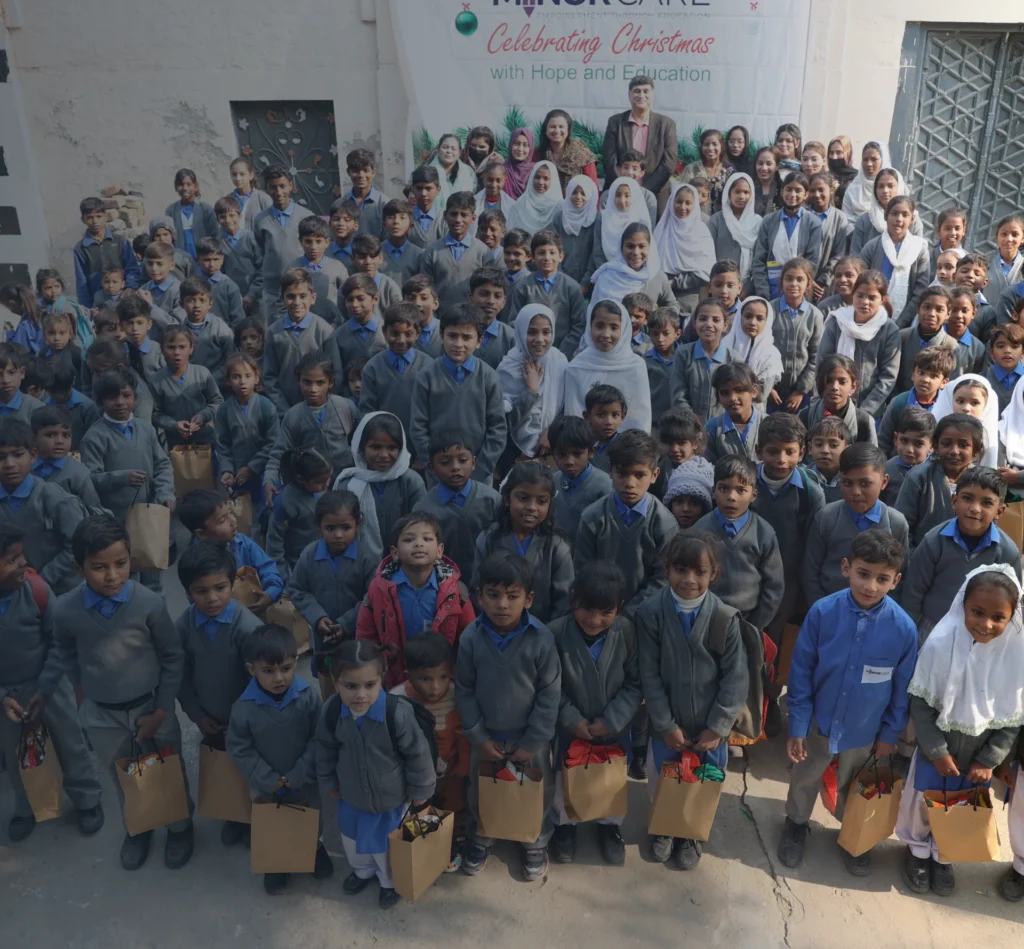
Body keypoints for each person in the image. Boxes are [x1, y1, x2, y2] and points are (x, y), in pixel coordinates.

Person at [55, 515, 194, 870]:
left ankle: (179, 828)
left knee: (168, 768)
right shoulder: (65, 610)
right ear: (78, 567)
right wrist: (83, 694)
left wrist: (162, 710)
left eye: (121, 563)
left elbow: (173, 657)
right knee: (125, 773)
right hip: (103, 714)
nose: (113, 575)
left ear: (132, 558)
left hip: (151, 707)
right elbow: (66, 651)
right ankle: (139, 828)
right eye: (99, 567)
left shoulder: (148, 604)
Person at [779, 529, 917, 874]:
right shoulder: (822, 613)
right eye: (863, 574)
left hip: (865, 728)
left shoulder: (903, 629)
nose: (870, 586)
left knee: (854, 783)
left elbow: (902, 689)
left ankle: (852, 831)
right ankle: (796, 823)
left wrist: (890, 734)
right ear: (846, 567)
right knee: (807, 773)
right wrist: (797, 723)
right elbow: (801, 672)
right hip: (819, 721)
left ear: (896, 580)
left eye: (882, 578)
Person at [896, 566, 1024, 898]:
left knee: (958, 807)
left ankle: (942, 855)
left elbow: (1012, 718)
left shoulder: (1014, 657)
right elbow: (921, 705)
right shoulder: (940, 645)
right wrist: (937, 751)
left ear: (1012, 617)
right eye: (977, 612)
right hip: (935, 752)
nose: (986, 624)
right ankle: (917, 853)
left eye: (999, 617)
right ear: (962, 606)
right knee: (923, 805)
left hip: (976, 763)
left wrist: (989, 759)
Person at [636, 530, 749, 869]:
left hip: (708, 726)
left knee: (705, 779)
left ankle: (691, 834)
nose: (688, 580)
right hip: (667, 723)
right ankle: (665, 829)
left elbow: (735, 677)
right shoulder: (651, 612)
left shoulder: (723, 618)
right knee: (662, 777)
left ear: (713, 574)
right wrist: (665, 723)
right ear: (667, 569)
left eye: (699, 572)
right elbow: (649, 674)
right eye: (680, 570)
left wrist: (718, 727)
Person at [455, 551, 561, 880]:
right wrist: (479, 737)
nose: (503, 604)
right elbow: (464, 689)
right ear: (479, 597)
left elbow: (550, 693)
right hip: (485, 736)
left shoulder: (541, 639)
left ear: (528, 599)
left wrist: (533, 740)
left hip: (530, 738)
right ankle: (481, 837)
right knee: (481, 788)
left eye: (512, 596)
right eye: (494, 595)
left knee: (535, 788)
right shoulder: (471, 638)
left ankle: (535, 840)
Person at [0, 523, 104, 842]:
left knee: (70, 740)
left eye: (21, 555)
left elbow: (58, 642)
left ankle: (87, 799)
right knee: (16, 752)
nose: (22, 564)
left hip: (50, 684)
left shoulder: (36, 590)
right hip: (8, 697)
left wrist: (45, 688)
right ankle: (26, 806)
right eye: (11, 559)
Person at [547, 561, 640, 865]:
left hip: (613, 729)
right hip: (569, 728)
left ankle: (608, 827)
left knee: (611, 779)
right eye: (587, 609)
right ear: (573, 599)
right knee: (565, 779)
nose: (595, 620)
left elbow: (635, 683)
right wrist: (572, 720)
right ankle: (565, 826)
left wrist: (611, 721)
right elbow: (549, 685)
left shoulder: (627, 634)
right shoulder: (556, 634)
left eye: (606, 612)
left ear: (619, 609)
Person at [228, 622, 331, 894]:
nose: (279, 678)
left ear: (296, 661)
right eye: (268, 671)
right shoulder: (244, 707)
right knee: (272, 822)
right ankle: (276, 865)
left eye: (286, 669)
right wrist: (267, 778)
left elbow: (318, 738)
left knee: (311, 817)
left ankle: (315, 849)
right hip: (266, 783)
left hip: (304, 778)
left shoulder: (308, 696)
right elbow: (240, 748)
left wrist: (299, 772)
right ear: (252, 670)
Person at [175, 542, 262, 846]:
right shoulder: (184, 626)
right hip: (211, 718)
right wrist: (196, 714)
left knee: (254, 768)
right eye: (200, 591)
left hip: (248, 718)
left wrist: (241, 717)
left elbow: (262, 679)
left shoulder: (246, 627)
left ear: (232, 583)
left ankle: (258, 820)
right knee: (225, 768)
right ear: (187, 592)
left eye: (220, 587)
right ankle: (235, 816)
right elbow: (179, 675)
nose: (212, 598)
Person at [356, 510, 474, 689]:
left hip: (440, 680)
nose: (418, 544)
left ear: (440, 550)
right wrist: (373, 670)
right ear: (395, 553)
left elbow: (468, 636)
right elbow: (366, 634)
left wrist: (457, 674)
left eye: (427, 539)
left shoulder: (455, 590)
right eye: (409, 540)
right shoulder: (379, 589)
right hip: (395, 677)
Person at [901, 467, 1019, 639]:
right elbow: (913, 592)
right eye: (967, 498)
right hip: (932, 628)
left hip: (981, 633)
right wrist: (909, 634)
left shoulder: (1007, 552)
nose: (975, 508)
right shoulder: (934, 541)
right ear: (954, 500)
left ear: (999, 511)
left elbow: (1013, 603)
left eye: (986, 503)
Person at [574, 430, 677, 610]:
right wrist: (606, 610)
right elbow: (583, 571)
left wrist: (630, 613)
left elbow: (662, 579)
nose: (630, 483)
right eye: (622, 473)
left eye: (639, 475)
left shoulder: (664, 524)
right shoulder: (592, 517)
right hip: (599, 611)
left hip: (647, 613)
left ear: (654, 475)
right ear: (610, 471)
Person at [409, 303, 506, 485]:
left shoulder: (488, 377)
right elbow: (418, 426)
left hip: (478, 475)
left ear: (479, 341)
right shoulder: (427, 376)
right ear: (442, 335)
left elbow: (497, 429)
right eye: (452, 336)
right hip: (439, 475)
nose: (458, 344)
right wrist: (436, 466)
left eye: (466, 337)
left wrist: (480, 469)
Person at [802, 443, 910, 604]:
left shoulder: (896, 523)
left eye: (865, 484)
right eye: (847, 483)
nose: (856, 492)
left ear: (884, 482)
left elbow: (901, 576)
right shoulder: (826, 518)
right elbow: (810, 572)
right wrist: (822, 609)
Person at [285, 490, 376, 666]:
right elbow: (297, 589)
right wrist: (318, 617)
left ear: (358, 524)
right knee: (326, 676)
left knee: (356, 678)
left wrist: (345, 623)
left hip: (357, 636)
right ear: (319, 527)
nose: (338, 535)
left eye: (345, 527)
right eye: (330, 528)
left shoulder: (367, 558)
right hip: (323, 636)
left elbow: (372, 597)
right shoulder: (309, 555)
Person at [474, 462, 572, 624]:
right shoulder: (488, 539)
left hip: (543, 634)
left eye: (541, 501)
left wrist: (546, 636)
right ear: (507, 499)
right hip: (493, 630)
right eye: (523, 498)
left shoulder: (557, 546)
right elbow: (477, 590)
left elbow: (563, 601)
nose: (531, 507)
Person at [696, 455, 785, 631]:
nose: (731, 497)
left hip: (748, 621)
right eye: (724, 488)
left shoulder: (763, 533)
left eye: (741, 490)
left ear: (753, 495)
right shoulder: (699, 531)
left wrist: (754, 626)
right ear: (713, 491)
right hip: (705, 620)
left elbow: (774, 587)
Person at [413, 432, 501, 582]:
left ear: (473, 463)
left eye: (462, 460)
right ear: (431, 468)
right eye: (445, 462)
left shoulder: (491, 499)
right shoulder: (424, 509)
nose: (455, 467)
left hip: (488, 582)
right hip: (443, 584)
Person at [177, 488, 282, 612]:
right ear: (201, 533)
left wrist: (270, 594)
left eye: (230, 513)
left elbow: (268, 568)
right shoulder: (195, 563)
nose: (233, 521)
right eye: (222, 520)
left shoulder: (243, 543)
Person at [896, 413, 985, 548]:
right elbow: (901, 527)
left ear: (976, 450)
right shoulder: (919, 477)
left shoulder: (982, 482)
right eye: (947, 443)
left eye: (963, 445)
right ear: (936, 445)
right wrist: (914, 560)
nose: (954, 451)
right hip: (922, 559)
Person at [497, 305, 567, 466]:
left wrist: (550, 433)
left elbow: (566, 406)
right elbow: (505, 423)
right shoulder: (508, 367)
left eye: (546, 332)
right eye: (532, 332)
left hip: (554, 446)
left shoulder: (559, 361)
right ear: (521, 331)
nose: (540, 340)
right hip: (512, 449)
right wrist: (532, 391)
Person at [213, 352, 278, 516]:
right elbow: (223, 444)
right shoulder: (224, 410)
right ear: (228, 381)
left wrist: (252, 468)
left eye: (247, 376)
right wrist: (227, 470)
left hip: (263, 470)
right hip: (237, 473)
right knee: (241, 516)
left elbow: (274, 443)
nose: (242, 381)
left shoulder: (266, 406)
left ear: (256, 378)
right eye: (236, 377)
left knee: (264, 512)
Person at [262, 269, 335, 414]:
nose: (297, 302)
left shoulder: (324, 331)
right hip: (285, 410)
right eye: (291, 296)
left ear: (313, 298)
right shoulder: (273, 332)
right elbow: (269, 377)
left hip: (319, 410)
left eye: (303, 296)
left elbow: (335, 373)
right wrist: (283, 409)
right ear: (282, 298)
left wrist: (323, 407)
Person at [506, 232, 587, 358]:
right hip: (530, 354)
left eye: (552, 252)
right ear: (532, 257)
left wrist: (560, 354)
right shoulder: (524, 287)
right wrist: (530, 349)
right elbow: (514, 323)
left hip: (563, 355)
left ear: (561, 256)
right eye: (541, 252)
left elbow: (579, 325)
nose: (547, 257)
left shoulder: (572, 288)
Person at [251, 165, 316, 318]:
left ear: (291, 186)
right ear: (266, 189)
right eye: (273, 187)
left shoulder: (305, 216)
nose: (279, 192)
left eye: (282, 186)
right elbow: (261, 251)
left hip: (301, 289)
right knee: (276, 333)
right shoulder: (261, 220)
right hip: (273, 290)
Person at [859, 195, 931, 330]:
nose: (899, 219)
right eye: (894, 213)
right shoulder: (872, 247)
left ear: (912, 219)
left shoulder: (919, 250)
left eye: (905, 215)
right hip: (870, 318)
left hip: (905, 324)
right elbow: (861, 285)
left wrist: (900, 323)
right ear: (886, 216)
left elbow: (919, 293)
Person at [601, 76, 677, 200]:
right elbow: (610, 160)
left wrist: (645, 192)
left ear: (652, 95)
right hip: (619, 193)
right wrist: (624, 188)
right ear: (629, 95)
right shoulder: (616, 122)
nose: (641, 95)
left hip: (655, 193)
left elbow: (669, 164)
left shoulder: (666, 124)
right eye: (637, 91)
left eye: (645, 91)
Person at [752, 172, 823, 301]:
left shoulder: (813, 223)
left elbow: (812, 261)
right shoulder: (769, 221)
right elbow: (759, 260)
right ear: (782, 191)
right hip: (771, 288)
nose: (792, 195)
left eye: (798, 190)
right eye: (788, 189)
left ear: (806, 195)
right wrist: (763, 292)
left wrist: (803, 289)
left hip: (798, 289)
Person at [265, 448, 333, 580]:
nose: (326, 485)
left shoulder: (320, 490)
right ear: (301, 479)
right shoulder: (285, 503)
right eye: (320, 482)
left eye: (328, 479)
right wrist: (281, 574)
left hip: (321, 557)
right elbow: (274, 541)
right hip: (296, 562)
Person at [767, 258, 825, 413]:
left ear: (809, 283)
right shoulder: (769, 311)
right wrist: (768, 387)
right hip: (771, 390)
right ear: (781, 282)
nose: (794, 284)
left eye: (800, 279)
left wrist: (801, 390)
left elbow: (816, 355)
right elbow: (761, 349)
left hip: (800, 393)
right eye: (789, 279)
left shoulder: (815, 315)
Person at [150, 326, 223, 449]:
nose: (177, 352)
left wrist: (203, 416)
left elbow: (217, 402)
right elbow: (156, 414)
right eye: (171, 347)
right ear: (162, 350)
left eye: (182, 347)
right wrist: (174, 425)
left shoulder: (202, 374)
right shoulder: (156, 381)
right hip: (176, 445)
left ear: (191, 349)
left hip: (206, 440)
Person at [418, 192, 490, 313]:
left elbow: (488, 290)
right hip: (442, 320)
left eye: (464, 215)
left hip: (473, 319)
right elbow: (425, 291)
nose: (458, 220)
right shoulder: (432, 252)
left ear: (473, 218)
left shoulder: (483, 252)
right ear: (445, 215)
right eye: (453, 214)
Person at [671, 300, 738, 423]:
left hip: (722, 429)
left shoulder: (734, 359)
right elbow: (679, 397)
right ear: (694, 322)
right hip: (688, 429)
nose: (708, 324)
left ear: (725, 325)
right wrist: (695, 425)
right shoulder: (683, 354)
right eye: (702, 319)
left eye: (716, 320)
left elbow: (736, 399)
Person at [879, 346, 954, 455]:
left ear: (944, 382)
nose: (925, 380)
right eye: (921, 373)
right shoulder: (899, 402)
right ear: (913, 374)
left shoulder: (948, 407)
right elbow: (883, 440)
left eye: (933, 376)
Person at [654, 183, 716, 314]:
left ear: (695, 206)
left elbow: (705, 273)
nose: (683, 207)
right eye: (679, 202)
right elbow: (652, 263)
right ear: (671, 203)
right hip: (661, 298)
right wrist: (664, 284)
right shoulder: (663, 229)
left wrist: (675, 283)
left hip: (688, 300)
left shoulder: (701, 232)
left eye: (688, 203)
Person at [549, 415, 613, 541]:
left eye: (577, 454)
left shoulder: (605, 486)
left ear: (591, 451)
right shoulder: (551, 482)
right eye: (561, 454)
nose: (569, 461)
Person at [73, 197, 142, 305]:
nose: (95, 221)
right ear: (83, 220)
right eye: (90, 217)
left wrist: (130, 288)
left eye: (99, 216)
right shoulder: (81, 248)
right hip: (99, 302)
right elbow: (82, 282)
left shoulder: (119, 241)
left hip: (123, 298)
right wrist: (86, 308)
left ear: (105, 216)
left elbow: (132, 268)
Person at [800, 353, 878, 446]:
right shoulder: (805, 417)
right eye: (828, 381)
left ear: (853, 386)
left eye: (842, 382)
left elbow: (872, 458)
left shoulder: (863, 422)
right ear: (818, 383)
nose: (835, 387)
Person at [848, 167, 922, 257]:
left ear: (899, 187)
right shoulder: (864, 221)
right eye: (881, 186)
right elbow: (855, 256)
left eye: (890, 186)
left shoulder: (913, 220)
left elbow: (918, 252)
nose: (885, 191)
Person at [933, 374, 999, 468]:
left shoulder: (988, 439)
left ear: (986, 406)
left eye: (975, 403)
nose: (966, 408)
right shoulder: (936, 431)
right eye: (960, 401)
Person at [708, 174, 761, 287]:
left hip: (749, 285)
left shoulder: (758, 222)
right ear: (729, 193)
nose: (741, 196)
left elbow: (760, 257)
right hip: (721, 283)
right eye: (737, 192)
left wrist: (748, 287)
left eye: (746, 192)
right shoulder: (717, 220)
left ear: (751, 195)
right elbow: (708, 254)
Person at [213, 195, 263, 310]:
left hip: (255, 297)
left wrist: (252, 294)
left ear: (240, 216)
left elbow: (263, 269)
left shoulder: (252, 239)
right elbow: (219, 273)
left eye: (231, 215)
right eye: (222, 217)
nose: (228, 220)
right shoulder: (217, 244)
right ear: (217, 220)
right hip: (230, 299)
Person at [881, 406, 936, 505]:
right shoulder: (886, 470)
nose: (909, 449)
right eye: (904, 440)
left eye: (918, 444)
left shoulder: (935, 473)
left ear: (932, 445)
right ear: (896, 438)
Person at [552, 175, 599, 285]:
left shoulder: (595, 219)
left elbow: (596, 252)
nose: (578, 197)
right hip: (561, 282)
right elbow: (553, 248)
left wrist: (586, 282)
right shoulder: (559, 218)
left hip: (590, 283)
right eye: (574, 192)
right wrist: (562, 279)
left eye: (583, 193)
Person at [538, 108, 598, 193]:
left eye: (561, 127)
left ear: (568, 129)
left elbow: (593, 187)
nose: (557, 130)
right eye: (552, 127)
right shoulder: (538, 154)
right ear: (546, 130)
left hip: (576, 203)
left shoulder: (582, 154)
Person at [465, 268, 515, 371]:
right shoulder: (457, 332)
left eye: (497, 296)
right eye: (484, 294)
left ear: (504, 301)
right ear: (470, 296)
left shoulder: (511, 338)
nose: (491, 301)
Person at [644, 306, 683, 430]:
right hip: (654, 424)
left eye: (666, 334)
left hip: (681, 423)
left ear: (677, 334)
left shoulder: (686, 358)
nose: (660, 339)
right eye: (655, 334)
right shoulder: (644, 362)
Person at [678, 129, 734, 215]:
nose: (710, 148)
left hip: (723, 221)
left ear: (722, 146)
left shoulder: (730, 170)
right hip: (697, 220)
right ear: (701, 147)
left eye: (715, 144)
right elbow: (681, 196)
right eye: (706, 144)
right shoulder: (691, 169)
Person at [165, 168, 217, 259]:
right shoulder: (171, 211)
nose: (185, 188)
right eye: (181, 184)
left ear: (196, 186)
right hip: (179, 260)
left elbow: (215, 235)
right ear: (175, 187)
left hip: (202, 260)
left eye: (189, 184)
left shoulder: (206, 209)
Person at [344, 147, 391, 238]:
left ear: (373, 173)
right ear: (348, 172)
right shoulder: (340, 204)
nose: (361, 175)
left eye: (366, 170)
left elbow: (388, 240)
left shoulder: (384, 204)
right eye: (356, 171)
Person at [584, 384, 628, 473]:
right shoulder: (581, 444)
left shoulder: (626, 446)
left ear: (622, 417)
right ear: (587, 416)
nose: (609, 422)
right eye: (601, 415)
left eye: (615, 415)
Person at [379, 199, 424, 285]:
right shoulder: (376, 253)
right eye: (391, 217)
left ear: (411, 225)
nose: (396, 222)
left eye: (402, 217)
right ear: (384, 224)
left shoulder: (418, 255)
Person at [841, 141, 885, 223]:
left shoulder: (890, 188)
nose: (869, 164)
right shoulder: (852, 190)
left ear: (882, 160)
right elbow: (845, 221)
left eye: (874, 159)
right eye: (865, 159)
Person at [407, 165, 449, 250]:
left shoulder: (445, 218)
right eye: (419, 188)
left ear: (438, 190)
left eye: (428, 188)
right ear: (412, 190)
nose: (423, 193)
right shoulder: (406, 217)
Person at [986, 323, 1024, 414]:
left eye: (1014, 346)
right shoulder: (983, 380)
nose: (1007, 350)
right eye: (1000, 346)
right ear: (991, 352)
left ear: (1023, 352)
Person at [227, 155, 273, 231]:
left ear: (251, 175)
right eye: (234, 174)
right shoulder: (228, 200)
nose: (238, 178)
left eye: (242, 174)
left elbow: (272, 226)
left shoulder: (263, 199)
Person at [430, 133, 478, 201]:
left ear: (459, 153)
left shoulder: (468, 172)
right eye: (445, 147)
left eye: (453, 149)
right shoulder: (428, 171)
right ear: (438, 149)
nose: (449, 151)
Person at [986, 213, 1024, 300]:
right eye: (1004, 234)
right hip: (987, 313)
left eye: (1015, 235)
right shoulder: (985, 263)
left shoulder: (1023, 265)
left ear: (1022, 238)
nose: (1009, 239)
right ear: (997, 236)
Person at [502, 127, 537, 200]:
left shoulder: (536, 170)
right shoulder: (502, 168)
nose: (520, 149)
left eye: (525, 145)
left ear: (530, 148)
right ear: (511, 144)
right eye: (517, 144)